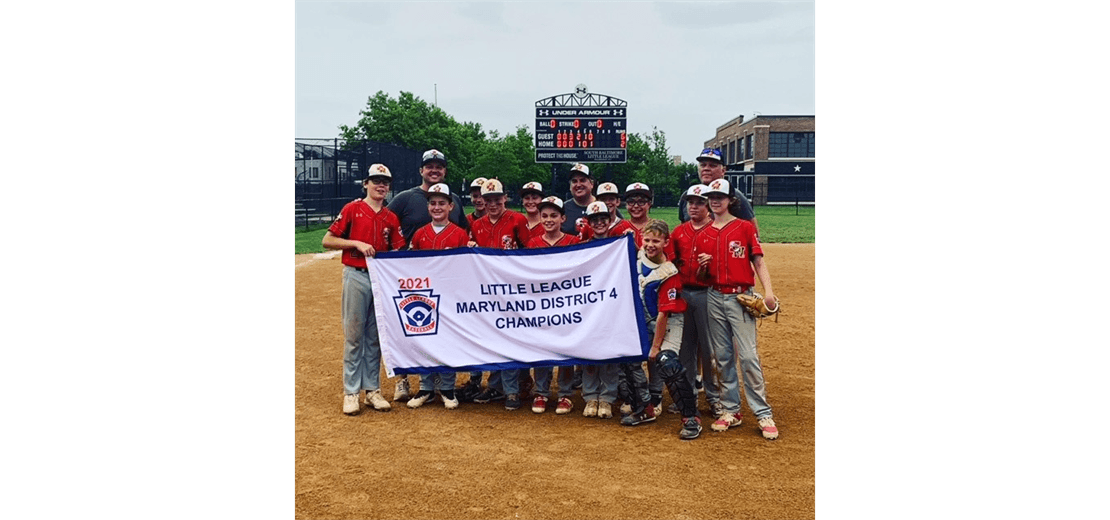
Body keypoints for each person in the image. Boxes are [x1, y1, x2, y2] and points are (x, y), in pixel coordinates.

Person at [696, 179, 780, 440]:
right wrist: (703, 267)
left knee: (748, 356)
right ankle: (731, 410)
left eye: (720, 196)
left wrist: (768, 292)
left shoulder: (744, 227)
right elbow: (702, 277)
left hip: (740, 296)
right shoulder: (705, 233)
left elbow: (758, 261)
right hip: (714, 296)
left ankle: (763, 412)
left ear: (730, 200)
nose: (715, 200)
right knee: (722, 356)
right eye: (711, 196)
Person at [321, 164, 407, 415]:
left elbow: (398, 250)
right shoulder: (353, 209)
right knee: (354, 334)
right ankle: (351, 392)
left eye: (385, 182)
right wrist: (356, 243)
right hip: (356, 274)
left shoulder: (391, 217)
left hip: (381, 279)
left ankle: (372, 390)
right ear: (366, 183)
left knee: (375, 336)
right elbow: (327, 240)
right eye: (376, 181)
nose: (381, 185)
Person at [386, 148, 470, 401]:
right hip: (413, 278)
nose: (434, 170)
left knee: (446, 332)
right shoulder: (405, 198)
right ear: (421, 170)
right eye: (429, 166)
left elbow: (464, 233)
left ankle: (445, 385)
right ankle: (406, 381)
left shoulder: (454, 199)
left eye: (439, 166)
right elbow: (385, 221)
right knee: (414, 327)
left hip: (448, 282)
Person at [619, 219, 703, 440]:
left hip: (668, 321)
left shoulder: (669, 273)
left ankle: (691, 417)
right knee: (628, 357)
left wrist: (656, 347)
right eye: (646, 240)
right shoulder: (639, 257)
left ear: (666, 242)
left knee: (667, 362)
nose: (650, 245)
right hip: (645, 320)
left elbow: (663, 315)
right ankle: (644, 408)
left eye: (656, 241)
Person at [405, 183, 471, 410]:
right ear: (428, 207)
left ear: (451, 206)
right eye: (432, 203)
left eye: (442, 203)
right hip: (424, 296)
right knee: (425, 338)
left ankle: (447, 387)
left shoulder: (460, 234)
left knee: (448, 341)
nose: (437, 207)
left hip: (450, 297)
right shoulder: (420, 233)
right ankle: (425, 387)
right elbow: (409, 265)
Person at [468, 178, 531, 411]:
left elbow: (530, 250)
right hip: (486, 289)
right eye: (488, 200)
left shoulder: (517, 219)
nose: (493, 204)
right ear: (482, 201)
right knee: (491, 337)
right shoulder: (477, 224)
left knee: (510, 337)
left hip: (511, 287)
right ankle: (495, 386)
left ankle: (512, 389)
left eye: (497, 199)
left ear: (505, 198)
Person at [524, 196, 581, 414]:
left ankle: (565, 394)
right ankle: (541, 392)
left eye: (554, 216)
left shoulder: (573, 241)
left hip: (565, 303)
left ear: (563, 218)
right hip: (541, 303)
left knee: (565, 348)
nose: (549, 220)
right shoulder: (533, 243)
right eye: (545, 215)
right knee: (542, 347)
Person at [670, 185, 722, 418]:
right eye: (691, 202)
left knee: (709, 349)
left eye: (699, 202)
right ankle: (688, 395)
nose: (693, 206)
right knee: (685, 349)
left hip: (708, 293)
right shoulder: (679, 232)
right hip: (683, 293)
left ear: (708, 205)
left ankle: (714, 398)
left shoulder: (717, 230)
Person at [577, 201, 622, 419]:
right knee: (590, 351)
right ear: (588, 223)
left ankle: (607, 397)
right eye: (594, 220)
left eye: (603, 219)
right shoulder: (582, 247)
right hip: (588, 305)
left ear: (610, 219)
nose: (599, 223)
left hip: (611, 305)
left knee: (609, 351)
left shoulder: (619, 244)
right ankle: (590, 395)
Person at [679, 148, 758, 233]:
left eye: (712, 165)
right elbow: (683, 229)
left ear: (723, 170)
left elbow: (752, 230)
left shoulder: (734, 195)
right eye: (703, 165)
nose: (706, 168)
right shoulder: (688, 195)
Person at [561, 163, 596, 236]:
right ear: (570, 186)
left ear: (592, 184)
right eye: (574, 181)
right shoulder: (562, 209)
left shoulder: (603, 206)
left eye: (582, 180)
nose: (578, 185)